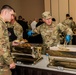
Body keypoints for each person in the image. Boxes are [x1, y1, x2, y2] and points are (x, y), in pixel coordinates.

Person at [0, 5, 16, 75]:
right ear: (5, 12)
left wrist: (11, 43)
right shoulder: (1, 24)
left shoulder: (3, 24)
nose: (12, 17)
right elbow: (1, 45)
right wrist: (10, 61)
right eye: (11, 14)